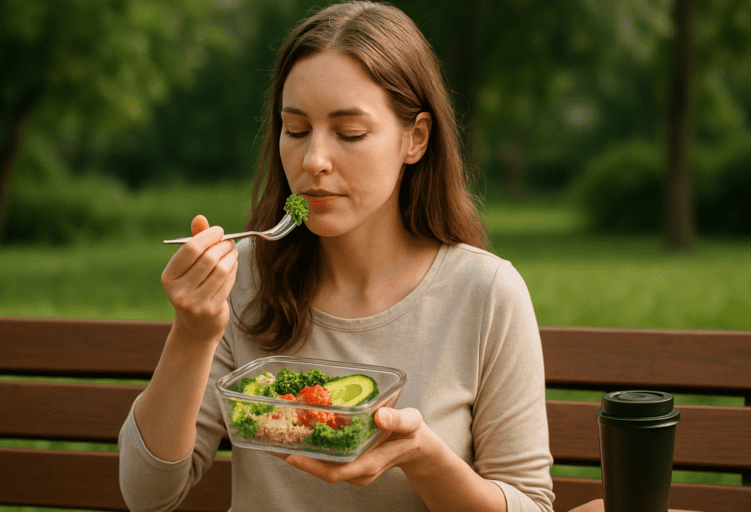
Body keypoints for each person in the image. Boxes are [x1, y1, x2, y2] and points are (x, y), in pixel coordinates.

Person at [118, 2, 555, 511]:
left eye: (349, 134)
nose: (313, 161)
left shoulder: (486, 294)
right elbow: (148, 496)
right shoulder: (245, 278)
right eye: (296, 130)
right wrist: (191, 334)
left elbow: (531, 504)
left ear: (415, 139)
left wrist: (424, 457)